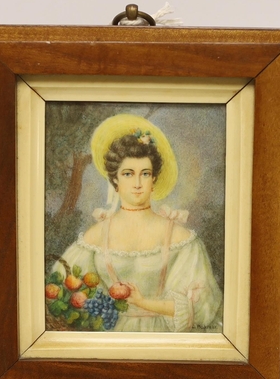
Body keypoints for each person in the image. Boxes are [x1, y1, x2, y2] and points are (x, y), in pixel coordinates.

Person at [50, 114, 223, 332]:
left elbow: (202, 308)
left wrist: (143, 303)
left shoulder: (180, 238)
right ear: (115, 180)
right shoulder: (95, 236)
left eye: (145, 174)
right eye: (128, 174)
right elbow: (63, 291)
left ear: (154, 179)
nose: (138, 183)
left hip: (162, 337)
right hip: (109, 337)